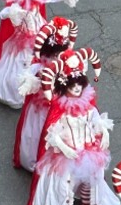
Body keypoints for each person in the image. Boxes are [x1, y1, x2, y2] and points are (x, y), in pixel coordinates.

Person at [27, 48, 120, 205]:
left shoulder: (87, 101)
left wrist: (103, 132)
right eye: (72, 85)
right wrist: (63, 147)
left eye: (80, 84)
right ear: (65, 85)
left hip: (87, 149)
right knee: (64, 184)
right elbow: (52, 132)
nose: (77, 88)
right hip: (66, 154)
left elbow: (95, 118)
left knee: (93, 180)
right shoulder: (59, 107)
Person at [0, 0, 79, 109]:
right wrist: (11, 12)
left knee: (46, 61)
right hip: (24, 39)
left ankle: (45, 87)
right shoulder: (16, 2)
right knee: (23, 64)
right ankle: (19, 93)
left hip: (42, 34)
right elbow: (2, 14)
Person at [13, 18, 78, 172]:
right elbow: (25, 81)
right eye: (54, 55)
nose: (56, 58)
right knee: (35, 133)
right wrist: (33, 83)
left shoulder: (65, 66)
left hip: (58, 108)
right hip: (40, 108)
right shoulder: (38, 67)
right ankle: (34, 160)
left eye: (59, 54)